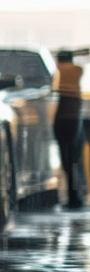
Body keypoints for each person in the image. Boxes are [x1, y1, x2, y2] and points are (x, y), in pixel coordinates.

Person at [53, 49, 84, 210]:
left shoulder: (61, 72)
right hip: (74, 120)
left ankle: (74, 198)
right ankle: (75, 197)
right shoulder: (78, 70)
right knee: (73, 160)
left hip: (62, 120)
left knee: (67, 161)